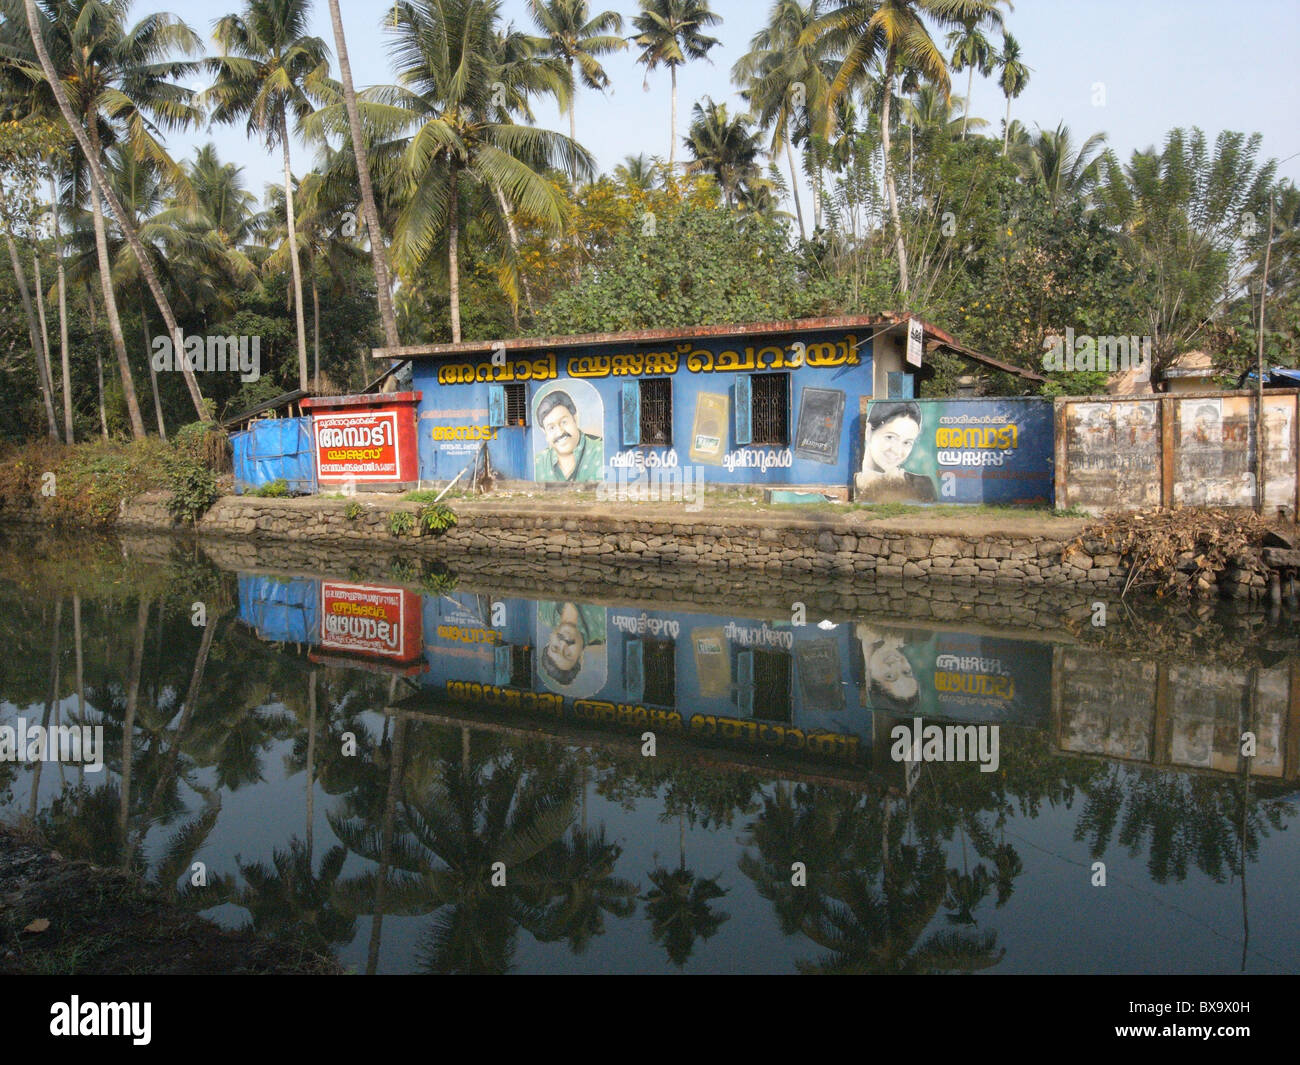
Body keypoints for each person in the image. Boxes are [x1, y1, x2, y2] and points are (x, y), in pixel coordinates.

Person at [855, 401, 935, 502]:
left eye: (907, 442)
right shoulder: (853, 484)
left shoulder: (922, 485)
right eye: (890, 437)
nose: (897, 451)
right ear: (868, 432)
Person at [535, 389, 603, 482]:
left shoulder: (601, 452)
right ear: (545, 433)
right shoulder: (538, 463)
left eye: (564, 422)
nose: (560, 432)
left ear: (575, 418)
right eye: (551, 428)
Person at [538, 601, 606, 686]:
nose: (563, 644)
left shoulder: (542, 612)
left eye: (555, 647)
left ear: (550, 639)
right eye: (568, 654)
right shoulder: (603, 627)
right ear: (580, 657)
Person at [856, 622, 920, 712]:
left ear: (869, 681)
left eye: (889, 676)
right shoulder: (908, 633)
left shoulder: (846, 652)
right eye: (906, 672)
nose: (897, 664)